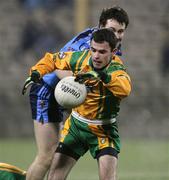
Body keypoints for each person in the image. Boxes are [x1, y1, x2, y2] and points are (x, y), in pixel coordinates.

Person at [22, 6, 129, 180]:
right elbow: (58, 67)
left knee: (57, 155)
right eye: (112, 30)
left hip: (70, 95)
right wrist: (83, 80)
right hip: (47, 91)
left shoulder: (110, 44)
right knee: (47, 155)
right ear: (101, 26)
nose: (117, 35)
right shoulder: (89, 43)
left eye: (121, 31)